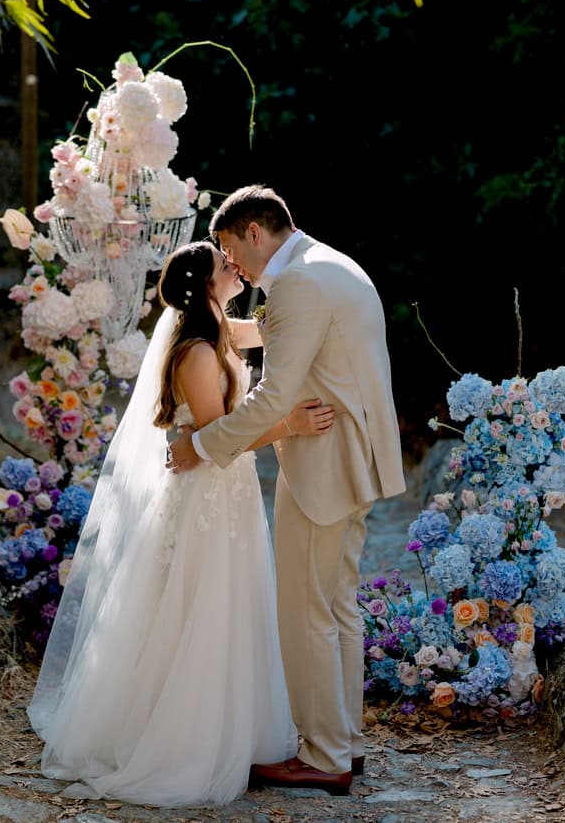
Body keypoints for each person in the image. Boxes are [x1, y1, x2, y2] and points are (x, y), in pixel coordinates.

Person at [27, 239, 335, 807]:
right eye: (225, 264)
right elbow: (220, 436)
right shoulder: (195, 350)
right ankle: (176, 738)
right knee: (197, 608)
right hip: (202, 500)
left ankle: (231, 726)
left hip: (228, 494)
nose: (234, 266)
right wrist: (289, 423)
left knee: (228, 606)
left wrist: (309, 301)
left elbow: (272, 330)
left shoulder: (221, 327)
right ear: (205, 283)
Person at [168, 185, 406, 796]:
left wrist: (201, 445)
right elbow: (262, 334)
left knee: (306, 613)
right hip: (356, 456)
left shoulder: (299, 281)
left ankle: (323, 756)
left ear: (252, 232)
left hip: (323, 461)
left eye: (229, 249)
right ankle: (345, 743)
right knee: (339, 606)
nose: (234, 267)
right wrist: (206, 316)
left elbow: (274, 397)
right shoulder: (323, 264)